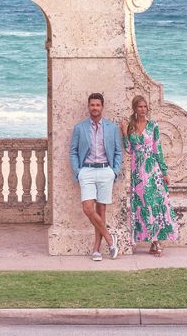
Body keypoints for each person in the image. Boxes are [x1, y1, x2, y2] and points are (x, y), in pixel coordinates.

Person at [122, 94, 178, 256]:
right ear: (134, 108)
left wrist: (164, 172)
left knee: (155, 203)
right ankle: (144, 240)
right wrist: (125, 134)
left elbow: (157, 149)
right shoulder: (131, 126)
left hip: (152, 171)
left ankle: (156, 241)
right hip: (137, 173)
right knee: (141, 205)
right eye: (140, 106)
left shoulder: (153, 126)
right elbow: (129, 149)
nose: (143, 109)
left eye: (145, 107)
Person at [69, 91, 123, 261]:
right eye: (92, 105)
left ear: (102, 107)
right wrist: (78, 171)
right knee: (88, 209)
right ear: (88, 107)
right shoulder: (80, 127)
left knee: (101, 211)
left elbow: (118, 152)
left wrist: (114, 171)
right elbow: (73, 151)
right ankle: (110, 239)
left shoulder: (112, 128)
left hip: (106, 171)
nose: (95, 108)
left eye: (97, 105)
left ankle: (96, 250)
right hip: (87, 171)